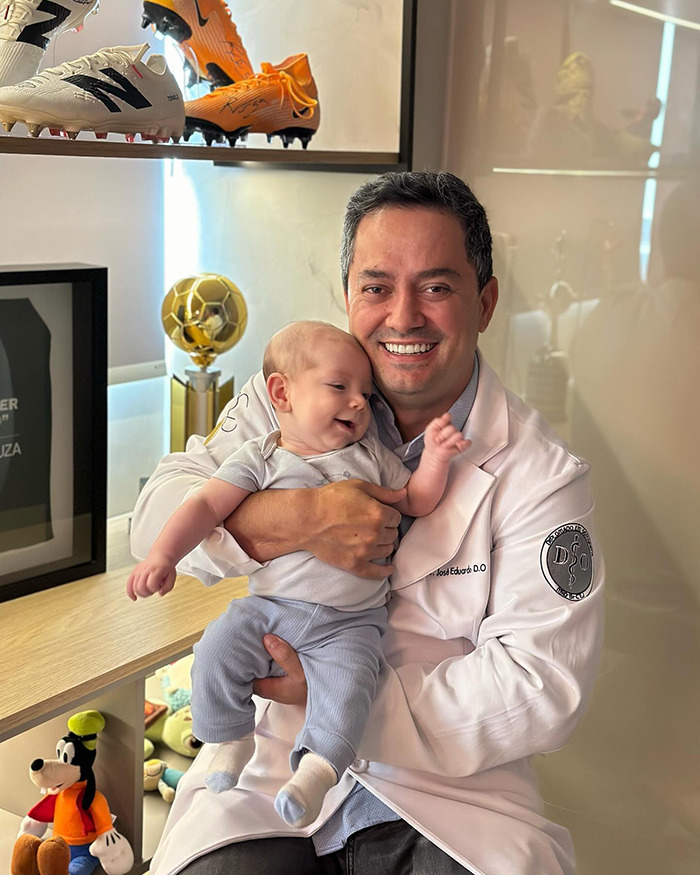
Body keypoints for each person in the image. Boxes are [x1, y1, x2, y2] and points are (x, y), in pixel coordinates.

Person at [131, 170, 605, 875]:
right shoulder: (287, 401)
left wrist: (338, 697)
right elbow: (155, 520)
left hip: (450, 794)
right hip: (269, 774)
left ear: (486, 301)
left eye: (437, 287)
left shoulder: (543, 474)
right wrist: (299, 517)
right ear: (349, 294)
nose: (403, 316)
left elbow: (543, 690)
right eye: (377, 286)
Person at [127, 320, 469, 829]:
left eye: (364, 393)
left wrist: (437, 456)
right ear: (281, 393)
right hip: (268, 612)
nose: (357, 402)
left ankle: (317, 771)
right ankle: (230, 739)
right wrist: (163, 556)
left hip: (350, 622)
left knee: (352, 685)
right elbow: (202, 505)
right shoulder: (260, 457)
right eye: (339, 388)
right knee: (215, 649)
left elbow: (416, 499)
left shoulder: (372, 457)